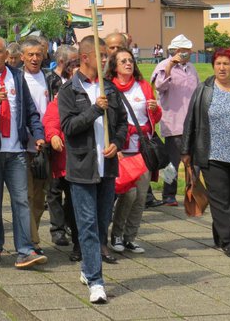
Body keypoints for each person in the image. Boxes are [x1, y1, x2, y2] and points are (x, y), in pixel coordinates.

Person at [58, 35, 128, 304]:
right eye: (100, 55)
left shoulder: (110, 89)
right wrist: (94, 112)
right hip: (81, 168)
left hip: (106, 166)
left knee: (101, 225)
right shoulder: (68, 91)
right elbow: (69, 128)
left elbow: (121, 123)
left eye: (105, 55)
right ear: (85, 57)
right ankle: (97, 282)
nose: (105, 60)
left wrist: (117, 143)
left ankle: (88, 269)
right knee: (86, 225)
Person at [0, 36, 47, 268]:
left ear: (6, 54)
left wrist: (38, 133)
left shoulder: (17, 76)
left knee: (21, 201)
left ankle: (24, 250)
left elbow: (30, 110)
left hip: (16, 150)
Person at [181, 48, 230, 259]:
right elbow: (191, 121)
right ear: (213, 66)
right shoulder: (204, 89)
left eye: (226, 64)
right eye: (218, 63)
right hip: (211, 154)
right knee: (220, 199)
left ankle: (220, 232)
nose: (222, 68)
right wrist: (186, 150)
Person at [106, 48, 162, 255]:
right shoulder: (109, 88)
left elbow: (154, 119)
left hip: (142, 151)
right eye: (123, 61)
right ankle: (117, 235)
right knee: (128, 195)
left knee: (140, 199)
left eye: (130, 60)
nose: (128, 64)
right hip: (121, 151)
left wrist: (155, 110)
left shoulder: (144, 86)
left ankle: (130, 237)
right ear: (115, 66)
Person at [150, 34, 199, 206]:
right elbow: (160, 86)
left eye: (189, 50)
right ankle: (168, 194)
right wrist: (171, 65)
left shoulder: (192, 68)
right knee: (173, 160)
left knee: (193, 161)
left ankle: (192, 193)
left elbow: (197, 92)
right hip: (173, 122)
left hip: (192, 122)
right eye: (184, 51)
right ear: (175, 51)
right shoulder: (163, 65)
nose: (187, 54)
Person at [44, 44, 78, 246]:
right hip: (58, 150)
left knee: (73, 196)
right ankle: (58, 229)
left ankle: (69, 226)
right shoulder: (56, 85)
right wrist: (52, 134)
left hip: (78, 154)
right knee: (54, 192)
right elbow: (51, 115)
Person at [19, 37, 50, 251]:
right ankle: (32, 242)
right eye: (30, 54)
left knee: (40, 198)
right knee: (27, 195)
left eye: (38, 54)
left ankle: (33, 234)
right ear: (22, 57)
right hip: (23, 146)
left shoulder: (49, 78)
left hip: (44, 147)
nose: (35, 58)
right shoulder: (17, 78)